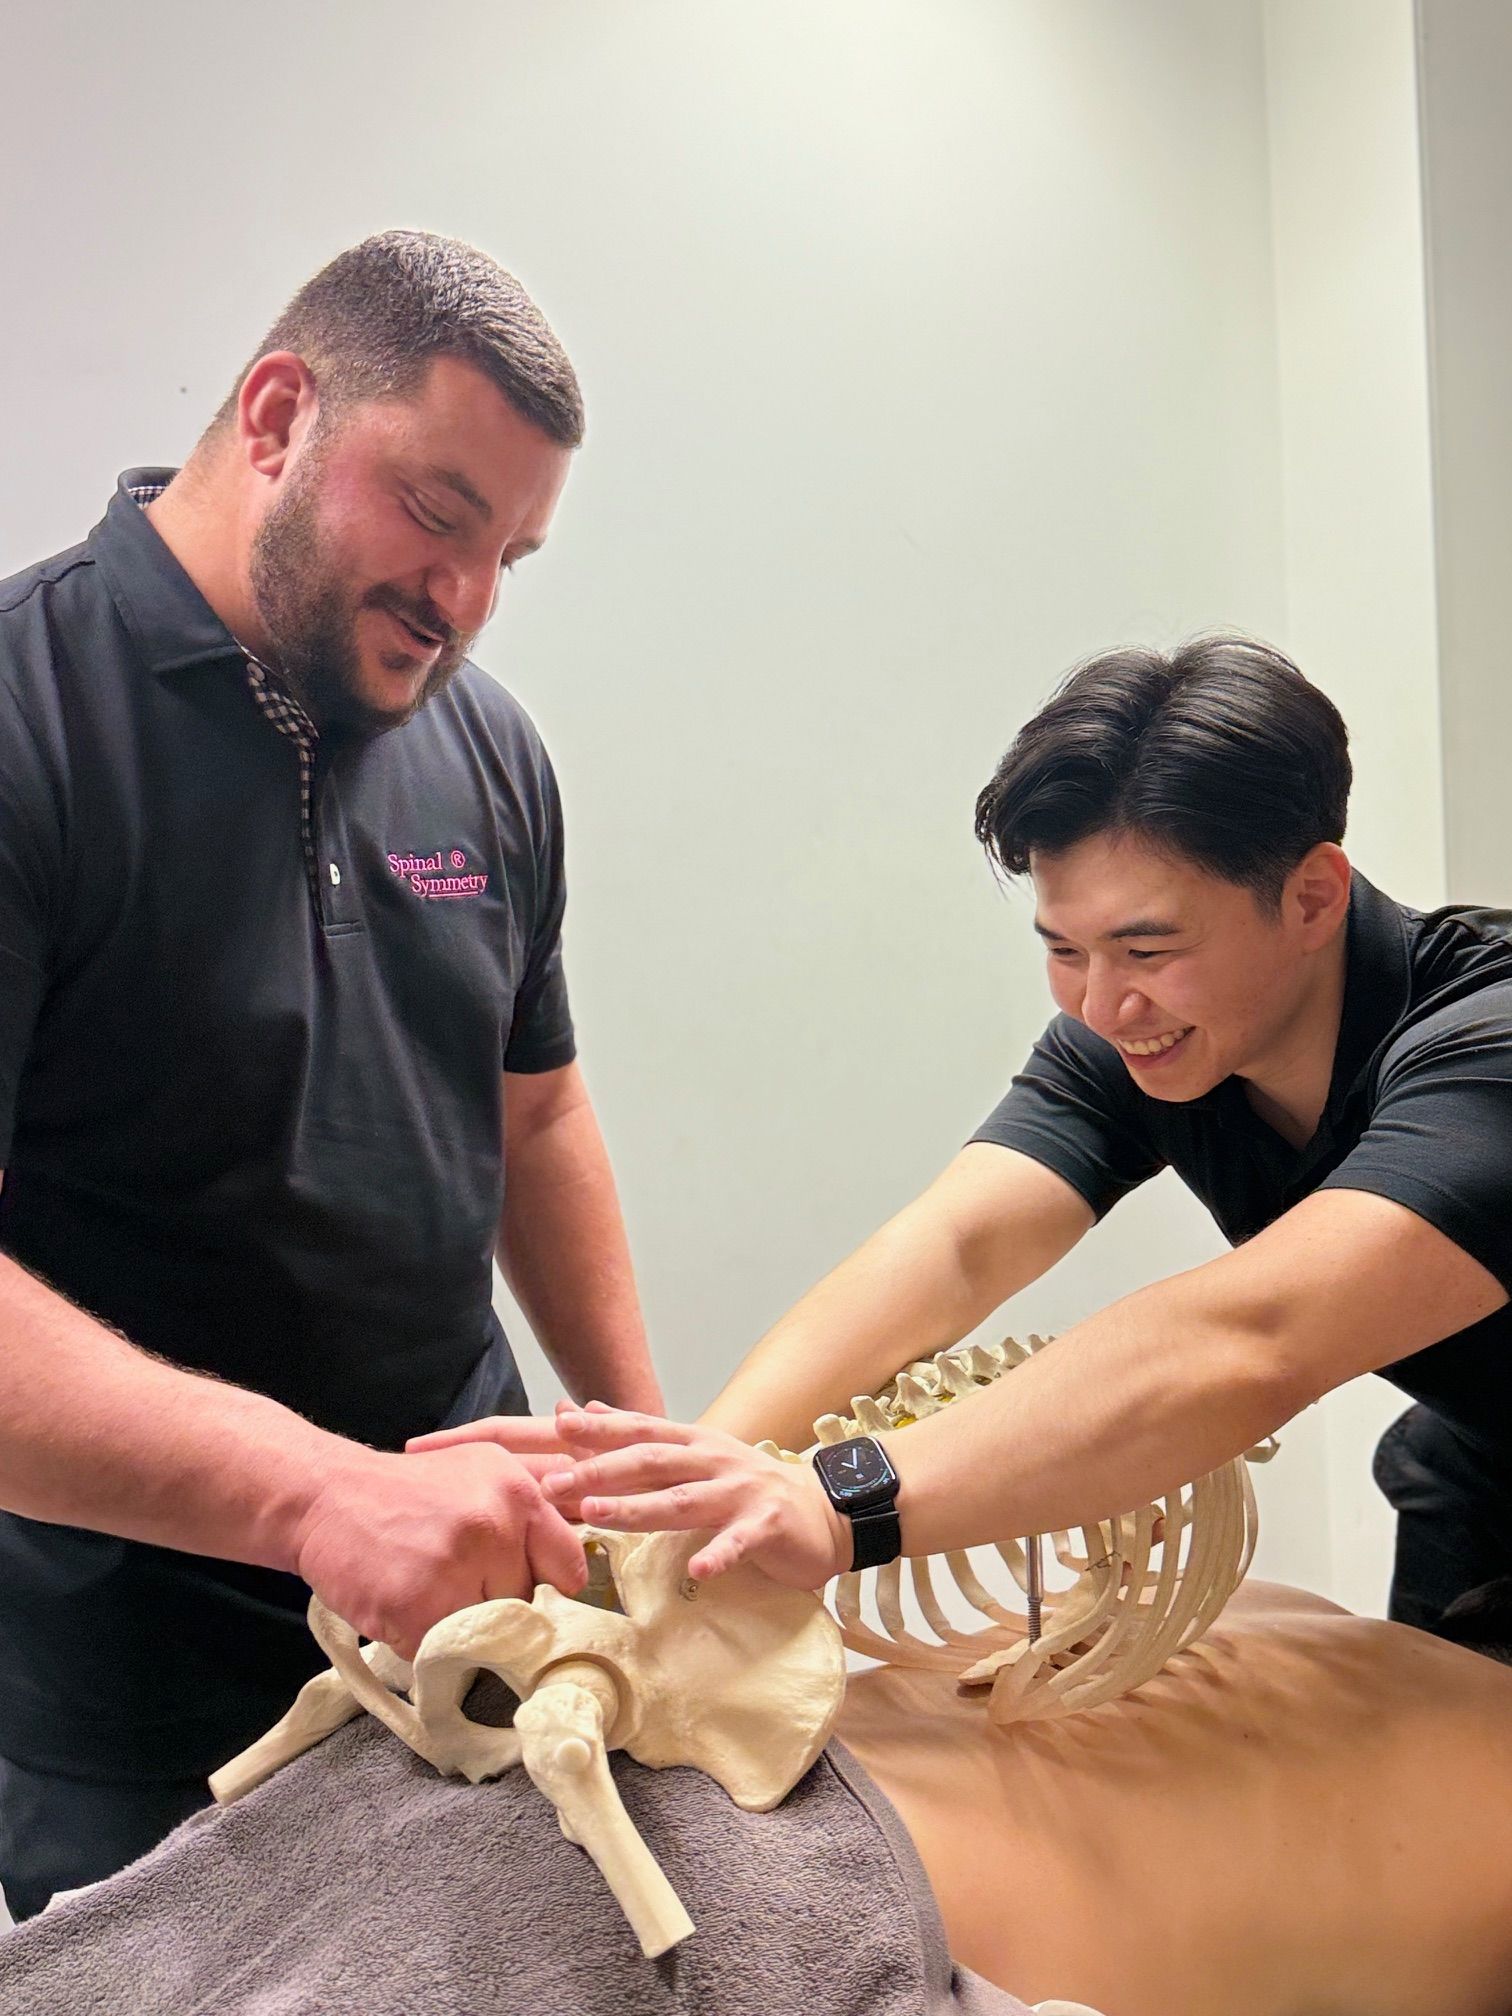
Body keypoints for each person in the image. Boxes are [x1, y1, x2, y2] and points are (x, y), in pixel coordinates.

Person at [0, 230, 662, 1918]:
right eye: (439, 514)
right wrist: (315, 1499)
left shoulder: (485, 743)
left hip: (480, 1623)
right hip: (141, 1696)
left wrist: (642, 1446)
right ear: (281, 413)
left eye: (512, 550)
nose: (467, 599)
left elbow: (537, 1108)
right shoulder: (26, 719)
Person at [434, 637, 1512, 1638]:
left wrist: (837, 1500)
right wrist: (695, 1481)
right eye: (1065, 950)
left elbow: (1253, 1339)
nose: (1102, 1005)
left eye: (1147, 947)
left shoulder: (1489, 1049)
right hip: (1479, 1477)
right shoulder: (1147, 1036)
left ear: (1314, 895)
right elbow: (958, 1247)